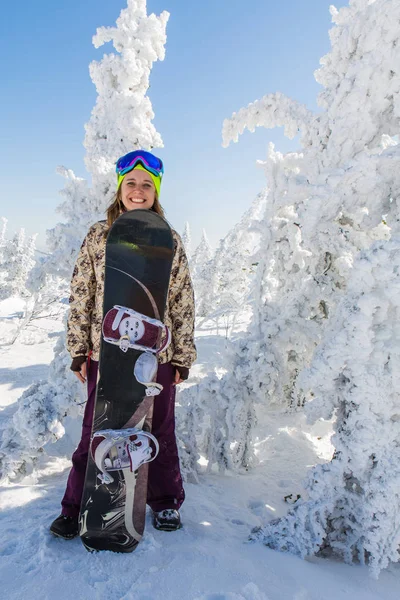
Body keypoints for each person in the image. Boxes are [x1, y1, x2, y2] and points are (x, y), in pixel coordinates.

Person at [50, 150, 196, 539]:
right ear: (119, 188)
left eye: (147, 184)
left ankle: (165, 502)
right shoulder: (99, 235)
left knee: (159, 427)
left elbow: (182, 299)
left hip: (157, 354)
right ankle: (74, 506)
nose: (138, 190)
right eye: (131, 183)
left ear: (156, 191)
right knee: (95, 430)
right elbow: (82, 293)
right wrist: (79, 350)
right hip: (107, 353)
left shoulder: (169, 240)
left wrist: (181, 356)